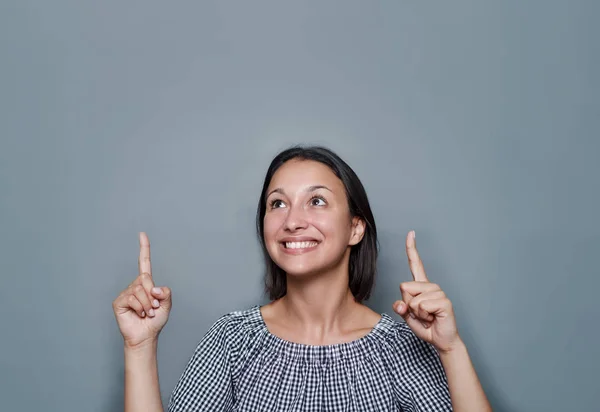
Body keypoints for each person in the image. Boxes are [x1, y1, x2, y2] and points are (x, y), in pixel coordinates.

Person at [112, 145, 491, 411]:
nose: (292, 221)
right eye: (277, 203)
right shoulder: (232, 341)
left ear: (355, 228)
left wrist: (451, 349)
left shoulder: (397, 349)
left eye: (317, 201)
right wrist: (139, 347)